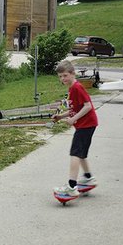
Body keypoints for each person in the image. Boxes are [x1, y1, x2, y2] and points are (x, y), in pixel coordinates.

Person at [51, 60, 98, 198]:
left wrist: (72, 119)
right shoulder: (72, 88)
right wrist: (61, 116)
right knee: (81, 153)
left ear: (72, 74)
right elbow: (74, 109)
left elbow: (88, 106)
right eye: (60, 76)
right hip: (86, 124)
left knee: (75, 153)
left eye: (65, 75)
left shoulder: (77, 87)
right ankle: (88, 177)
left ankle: (71, 186)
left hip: (86, 124)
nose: (62, 79)